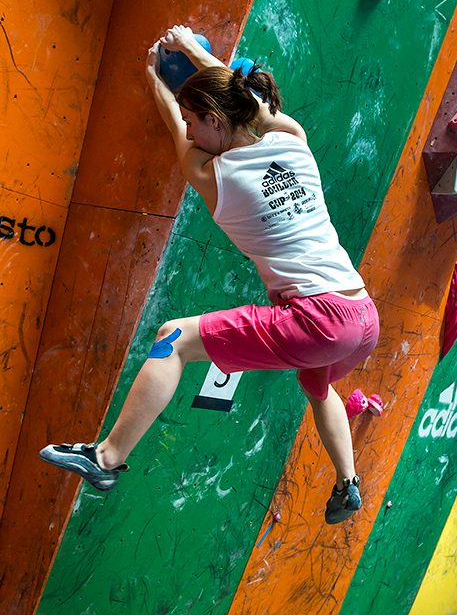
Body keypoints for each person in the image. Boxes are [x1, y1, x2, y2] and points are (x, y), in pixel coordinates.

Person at [40, 26, 379, 524]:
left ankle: (106, 458)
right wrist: (196, 52)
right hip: (362, 318)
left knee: (173, 338)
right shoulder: (296, 143)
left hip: (319, 320)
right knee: (317, 386)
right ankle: (348, 483)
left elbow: (178, 130)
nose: (191, 130)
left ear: (215, 121)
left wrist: (158, 78)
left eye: (196, 122)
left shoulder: (215, 176)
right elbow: (253, 109)